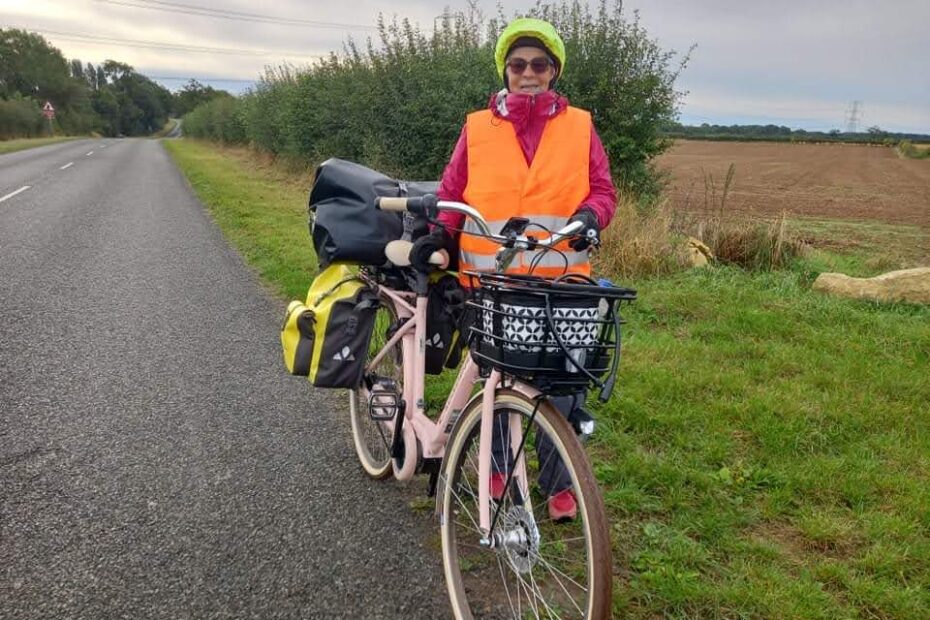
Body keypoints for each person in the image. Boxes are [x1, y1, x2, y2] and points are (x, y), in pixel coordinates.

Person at [410, 18, 617, 521]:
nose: (528, 73)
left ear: (554, 71)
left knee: (562, 386)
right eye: (518, 64)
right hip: (489, 280)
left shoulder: (580, 126)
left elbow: (602, 191)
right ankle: (498, 465)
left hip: (561, 279)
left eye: (539, 64)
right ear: (505, 70)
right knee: (494, 376)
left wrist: (591, 217)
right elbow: (453, 191)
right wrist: (441, 235)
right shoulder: (478, 127)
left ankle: (560, 482)